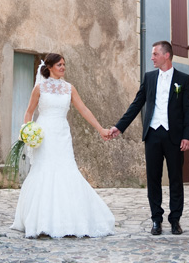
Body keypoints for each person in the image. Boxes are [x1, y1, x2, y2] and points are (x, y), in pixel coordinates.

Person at [11, 53, 115, 238]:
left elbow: (83, 109)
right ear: (49, 67)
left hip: (62, 135)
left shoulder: (69, 88)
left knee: (67, 170)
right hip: (44, 135)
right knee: (44, 171)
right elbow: (29, 112)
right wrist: (28, 132)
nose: (63, 67)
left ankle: (68, 220)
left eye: (64, 64)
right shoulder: (39, 87)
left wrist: (100, 129)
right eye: (59, 64)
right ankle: (41, 221)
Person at [109, 41, 189, 235]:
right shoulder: (149, 78)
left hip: (174, 137)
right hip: (153, 135)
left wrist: (187, 136)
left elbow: (188, 110)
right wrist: (119, 127)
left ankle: (175, 220)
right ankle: (156, 219)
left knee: (176, 179)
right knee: (153, 179)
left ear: (166, 55)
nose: (152, 57)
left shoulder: (183, 79)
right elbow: (136, 104)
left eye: (155, 54)